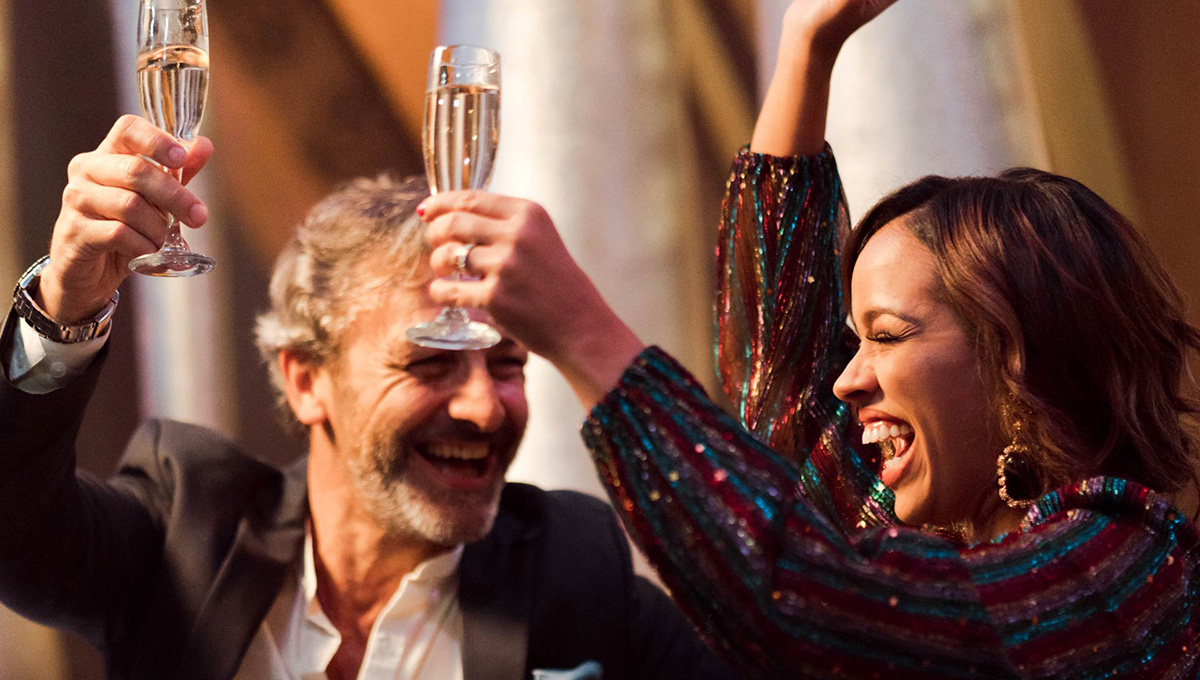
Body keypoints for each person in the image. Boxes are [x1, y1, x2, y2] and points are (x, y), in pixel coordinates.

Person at [413, 0, 1200, 677]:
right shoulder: (905, 509)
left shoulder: (1121, 573)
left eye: (888, 335)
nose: (847, 380)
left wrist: (582, 332)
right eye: (855, 339)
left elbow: (813, 604)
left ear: (1017, 357)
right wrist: (806, 45)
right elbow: (778, 375)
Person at [0, 115, 738, 680]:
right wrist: (65, 307)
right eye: (431, 363)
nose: (484, 408)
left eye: (507, 364)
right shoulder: (188, 531)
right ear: (305, 378)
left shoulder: (574, 572)